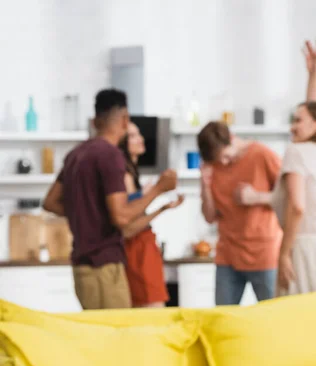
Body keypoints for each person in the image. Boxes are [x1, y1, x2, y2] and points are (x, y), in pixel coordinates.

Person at [236, 41, 316, 295]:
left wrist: (284, 253)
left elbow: (298, 206)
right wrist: (313, 76)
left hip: (306, 250)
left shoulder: (297, 152)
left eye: (297, 121)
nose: (292, 126)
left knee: (302, 323)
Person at [43, 88, 176, 310]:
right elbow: (121, 217)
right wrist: (159, 189)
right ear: (125, 120)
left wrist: (87, 211)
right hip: (103, 265)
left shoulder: (75, 154)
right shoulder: (110, 155)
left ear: (95, 120)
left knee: (99, 335)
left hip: (82, 265)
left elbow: (51, 202)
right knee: (116, 337)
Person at [197, 121, 282, 305]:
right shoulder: (214, 164)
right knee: (223, 319)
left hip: (263, 254)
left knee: (274, 318)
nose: (224, 163)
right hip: (228, 255)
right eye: (219, 161)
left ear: (232, 139)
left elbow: (290, 195)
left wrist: (257, 197)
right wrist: (205, 186)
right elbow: (209, 217)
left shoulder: (261, 154)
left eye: (226, 157)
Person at [119, 121, 184, 307]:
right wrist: (156, 195)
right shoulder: (125, 176)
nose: (140, 139)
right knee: (151, 310)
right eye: (132, 136)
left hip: (143, 250)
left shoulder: (132, 174)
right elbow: (129, 226)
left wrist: (163, 206)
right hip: (138, 253)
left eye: (138, 134)